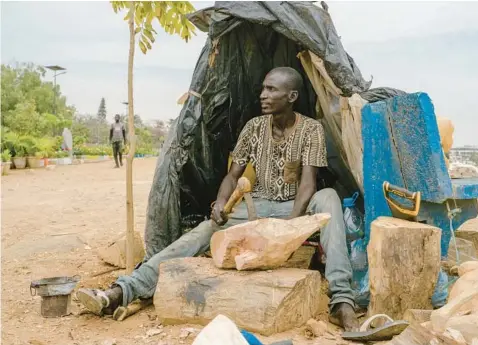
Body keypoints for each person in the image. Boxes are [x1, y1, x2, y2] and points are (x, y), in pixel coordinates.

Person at [78, 67, 360, 331]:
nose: (263, 95)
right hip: (256, 205)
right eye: (263, 89)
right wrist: (221, 205)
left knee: (329, 198)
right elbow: (232, 175)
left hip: (293, 208)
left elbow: (308, 183)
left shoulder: (311, 129)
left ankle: (341, 300)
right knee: (203, 230)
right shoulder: (254, 127)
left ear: (292, 97)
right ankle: (123, 290)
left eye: (272, 90)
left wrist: (287, 229)